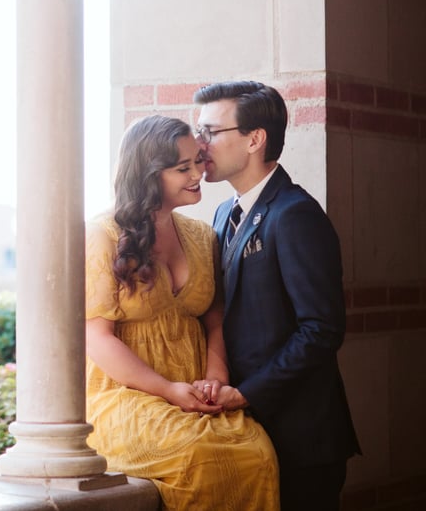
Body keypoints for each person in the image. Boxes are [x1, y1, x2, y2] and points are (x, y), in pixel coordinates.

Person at [85, 114, 279, 511]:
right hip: (126, 394)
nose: (199, 173)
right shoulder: (104, 234)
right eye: (183, 168)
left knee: (257, 448)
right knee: (200, 456)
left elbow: (215, 321)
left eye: (199, 161)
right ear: (149, 175)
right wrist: (169, 390)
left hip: (193, 387)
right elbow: (96, 337)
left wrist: (214, 378)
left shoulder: (202, 235)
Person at [193, 81, 360, 511]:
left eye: (210, 131)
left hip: (302, 439)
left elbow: (322, 330)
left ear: (254, 139)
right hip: (248, 433)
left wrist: (247, 393)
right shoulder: (222, 212)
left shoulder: (295, 214)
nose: (199, 144)